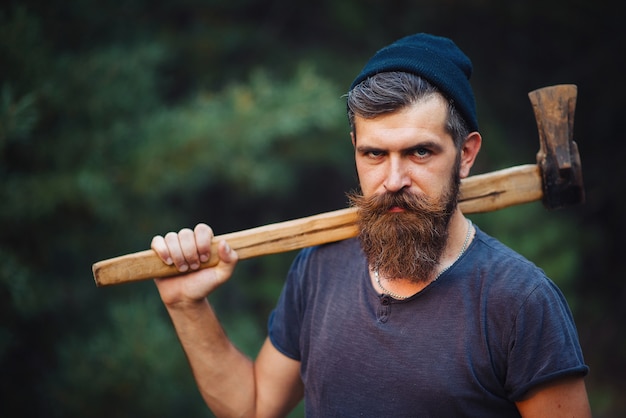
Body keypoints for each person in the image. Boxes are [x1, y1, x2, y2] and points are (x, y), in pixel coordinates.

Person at [150, 33, 591, 417]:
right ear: (355, 150)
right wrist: (187, 307)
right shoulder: (319, 268)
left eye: (420, 152)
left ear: (467, 154)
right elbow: (253, 406)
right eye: (374, 154)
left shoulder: (519, 301)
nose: (393, 180)